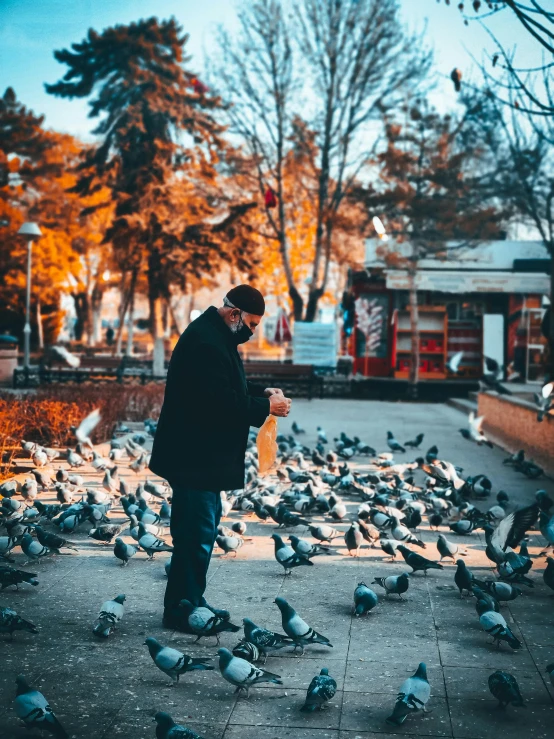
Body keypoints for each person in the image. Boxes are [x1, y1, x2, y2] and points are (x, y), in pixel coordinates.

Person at [149, 285, 292, 631]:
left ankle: (192, 599)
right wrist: (264, 407)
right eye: (252, 324)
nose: (252, 331)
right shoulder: (205, 342)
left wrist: (263, 394)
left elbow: (224, 388)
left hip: (201, 458)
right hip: (194, 458)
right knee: (195, 536)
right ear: (234, 314)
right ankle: (181, 610)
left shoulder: (215, 335)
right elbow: (217, 404)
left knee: (201, 532)